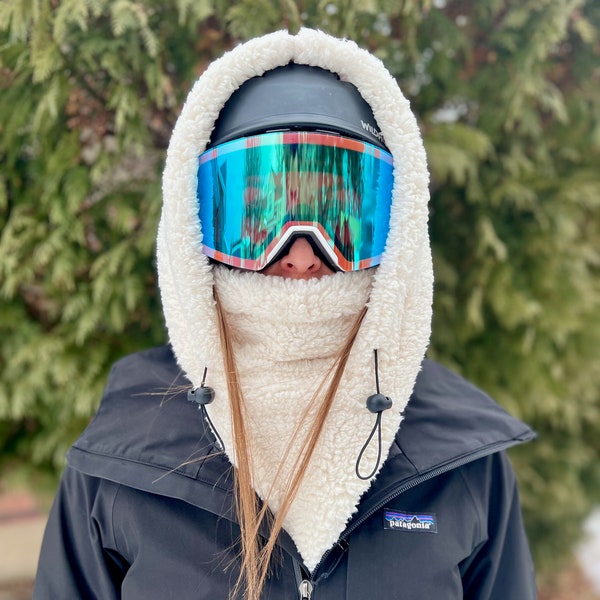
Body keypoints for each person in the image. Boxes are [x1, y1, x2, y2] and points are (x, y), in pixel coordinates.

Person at [33, 28, 537, 599]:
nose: (300, 253)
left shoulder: (462, 460)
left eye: (338, 219)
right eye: (258, 218)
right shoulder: (119, 458)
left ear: (396, 227)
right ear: (193, 223)